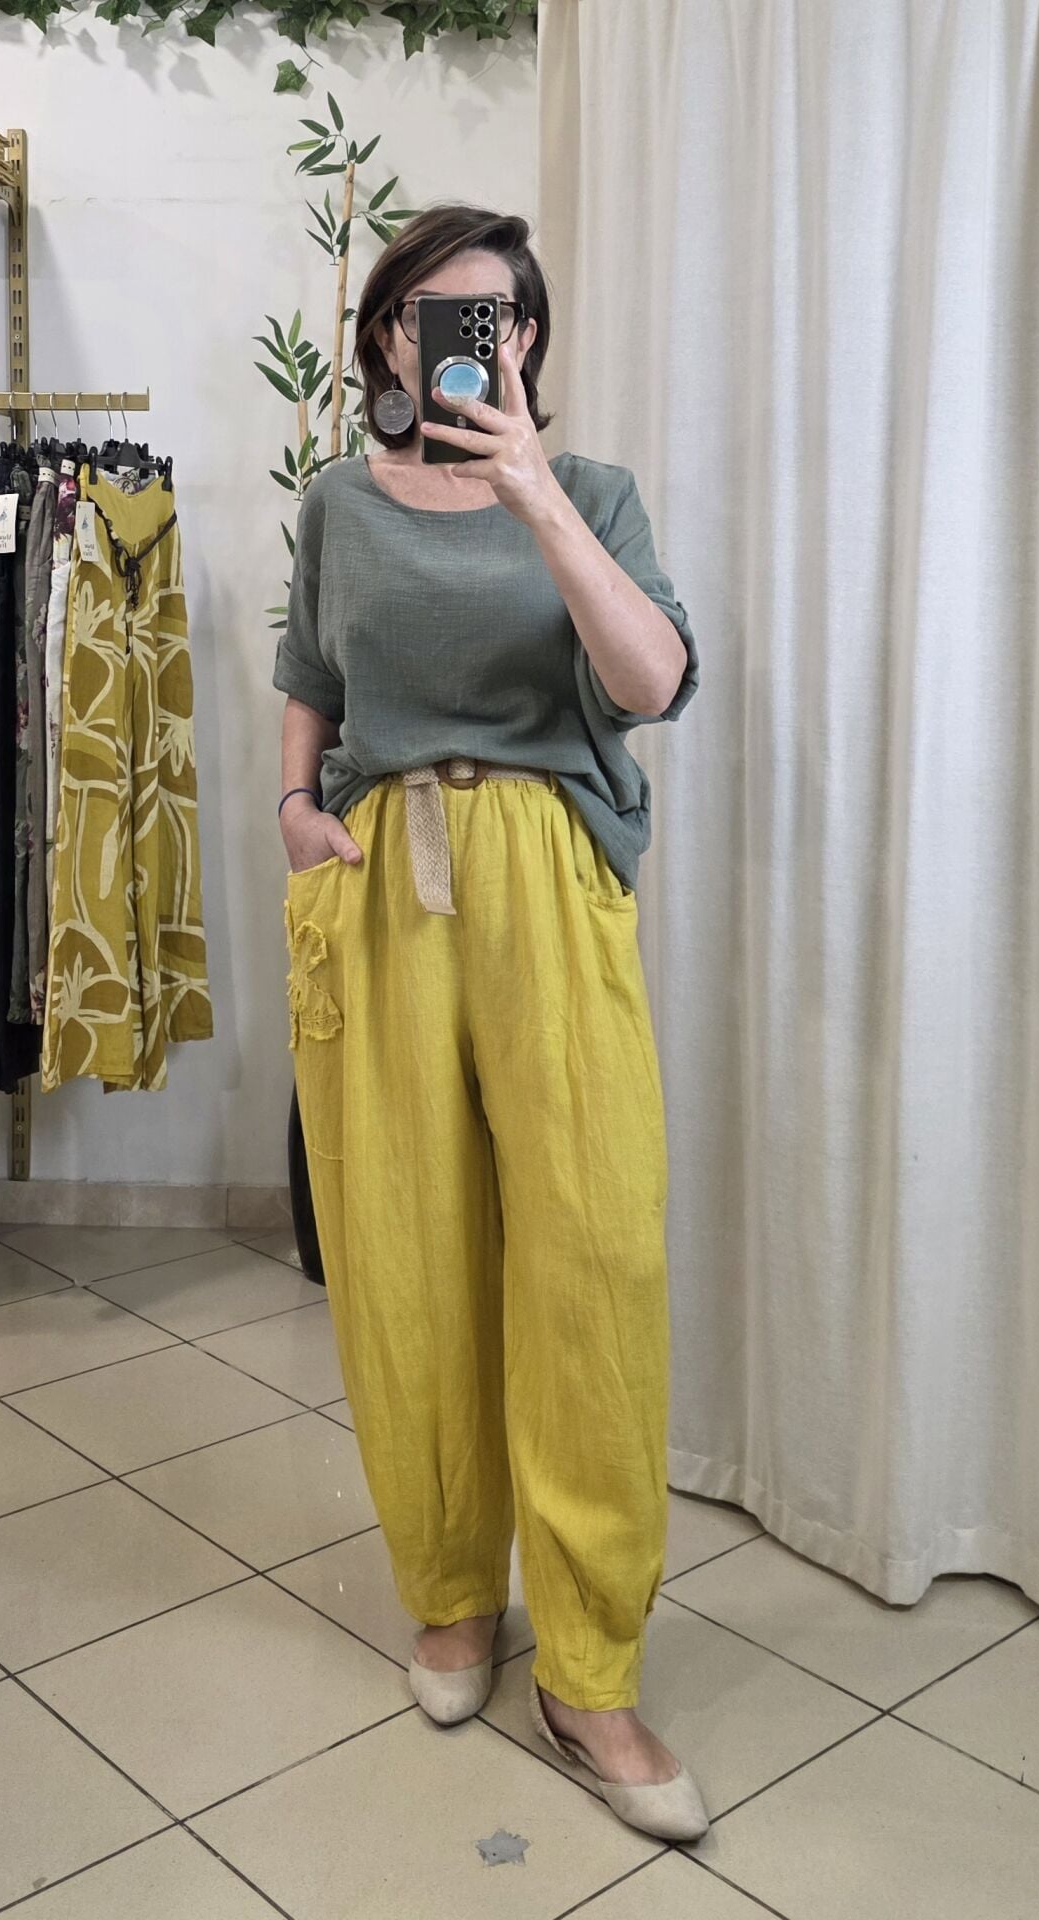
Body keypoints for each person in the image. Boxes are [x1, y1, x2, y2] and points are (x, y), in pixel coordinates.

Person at [272, 203, 706, 1843]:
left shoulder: (591, 492)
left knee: (593, 1260)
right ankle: (453, 1592)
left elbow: (653, 681)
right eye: (435, 315)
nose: (468, 339)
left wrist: (532, 492)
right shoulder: (338, 503)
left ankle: (590, 1668)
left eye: (498, 316)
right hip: (383, 875)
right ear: (389, 338)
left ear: (524, 340)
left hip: (547, 872)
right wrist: (295, 811)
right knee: (406, 1251)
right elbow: (312, 672)